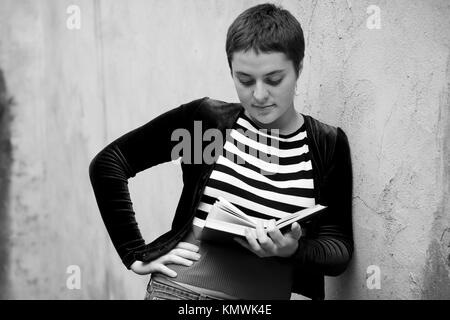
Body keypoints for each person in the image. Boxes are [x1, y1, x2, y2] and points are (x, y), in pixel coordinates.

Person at [89, 3, 353, 300]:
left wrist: (294, 249)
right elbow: (110, 163)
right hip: (181, 293)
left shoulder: (327, 144)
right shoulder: (207, 125)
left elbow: (339, 249)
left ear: (299, 68)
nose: (259, 94)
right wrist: (134, 253)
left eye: (274, 79)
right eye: (244, 80)